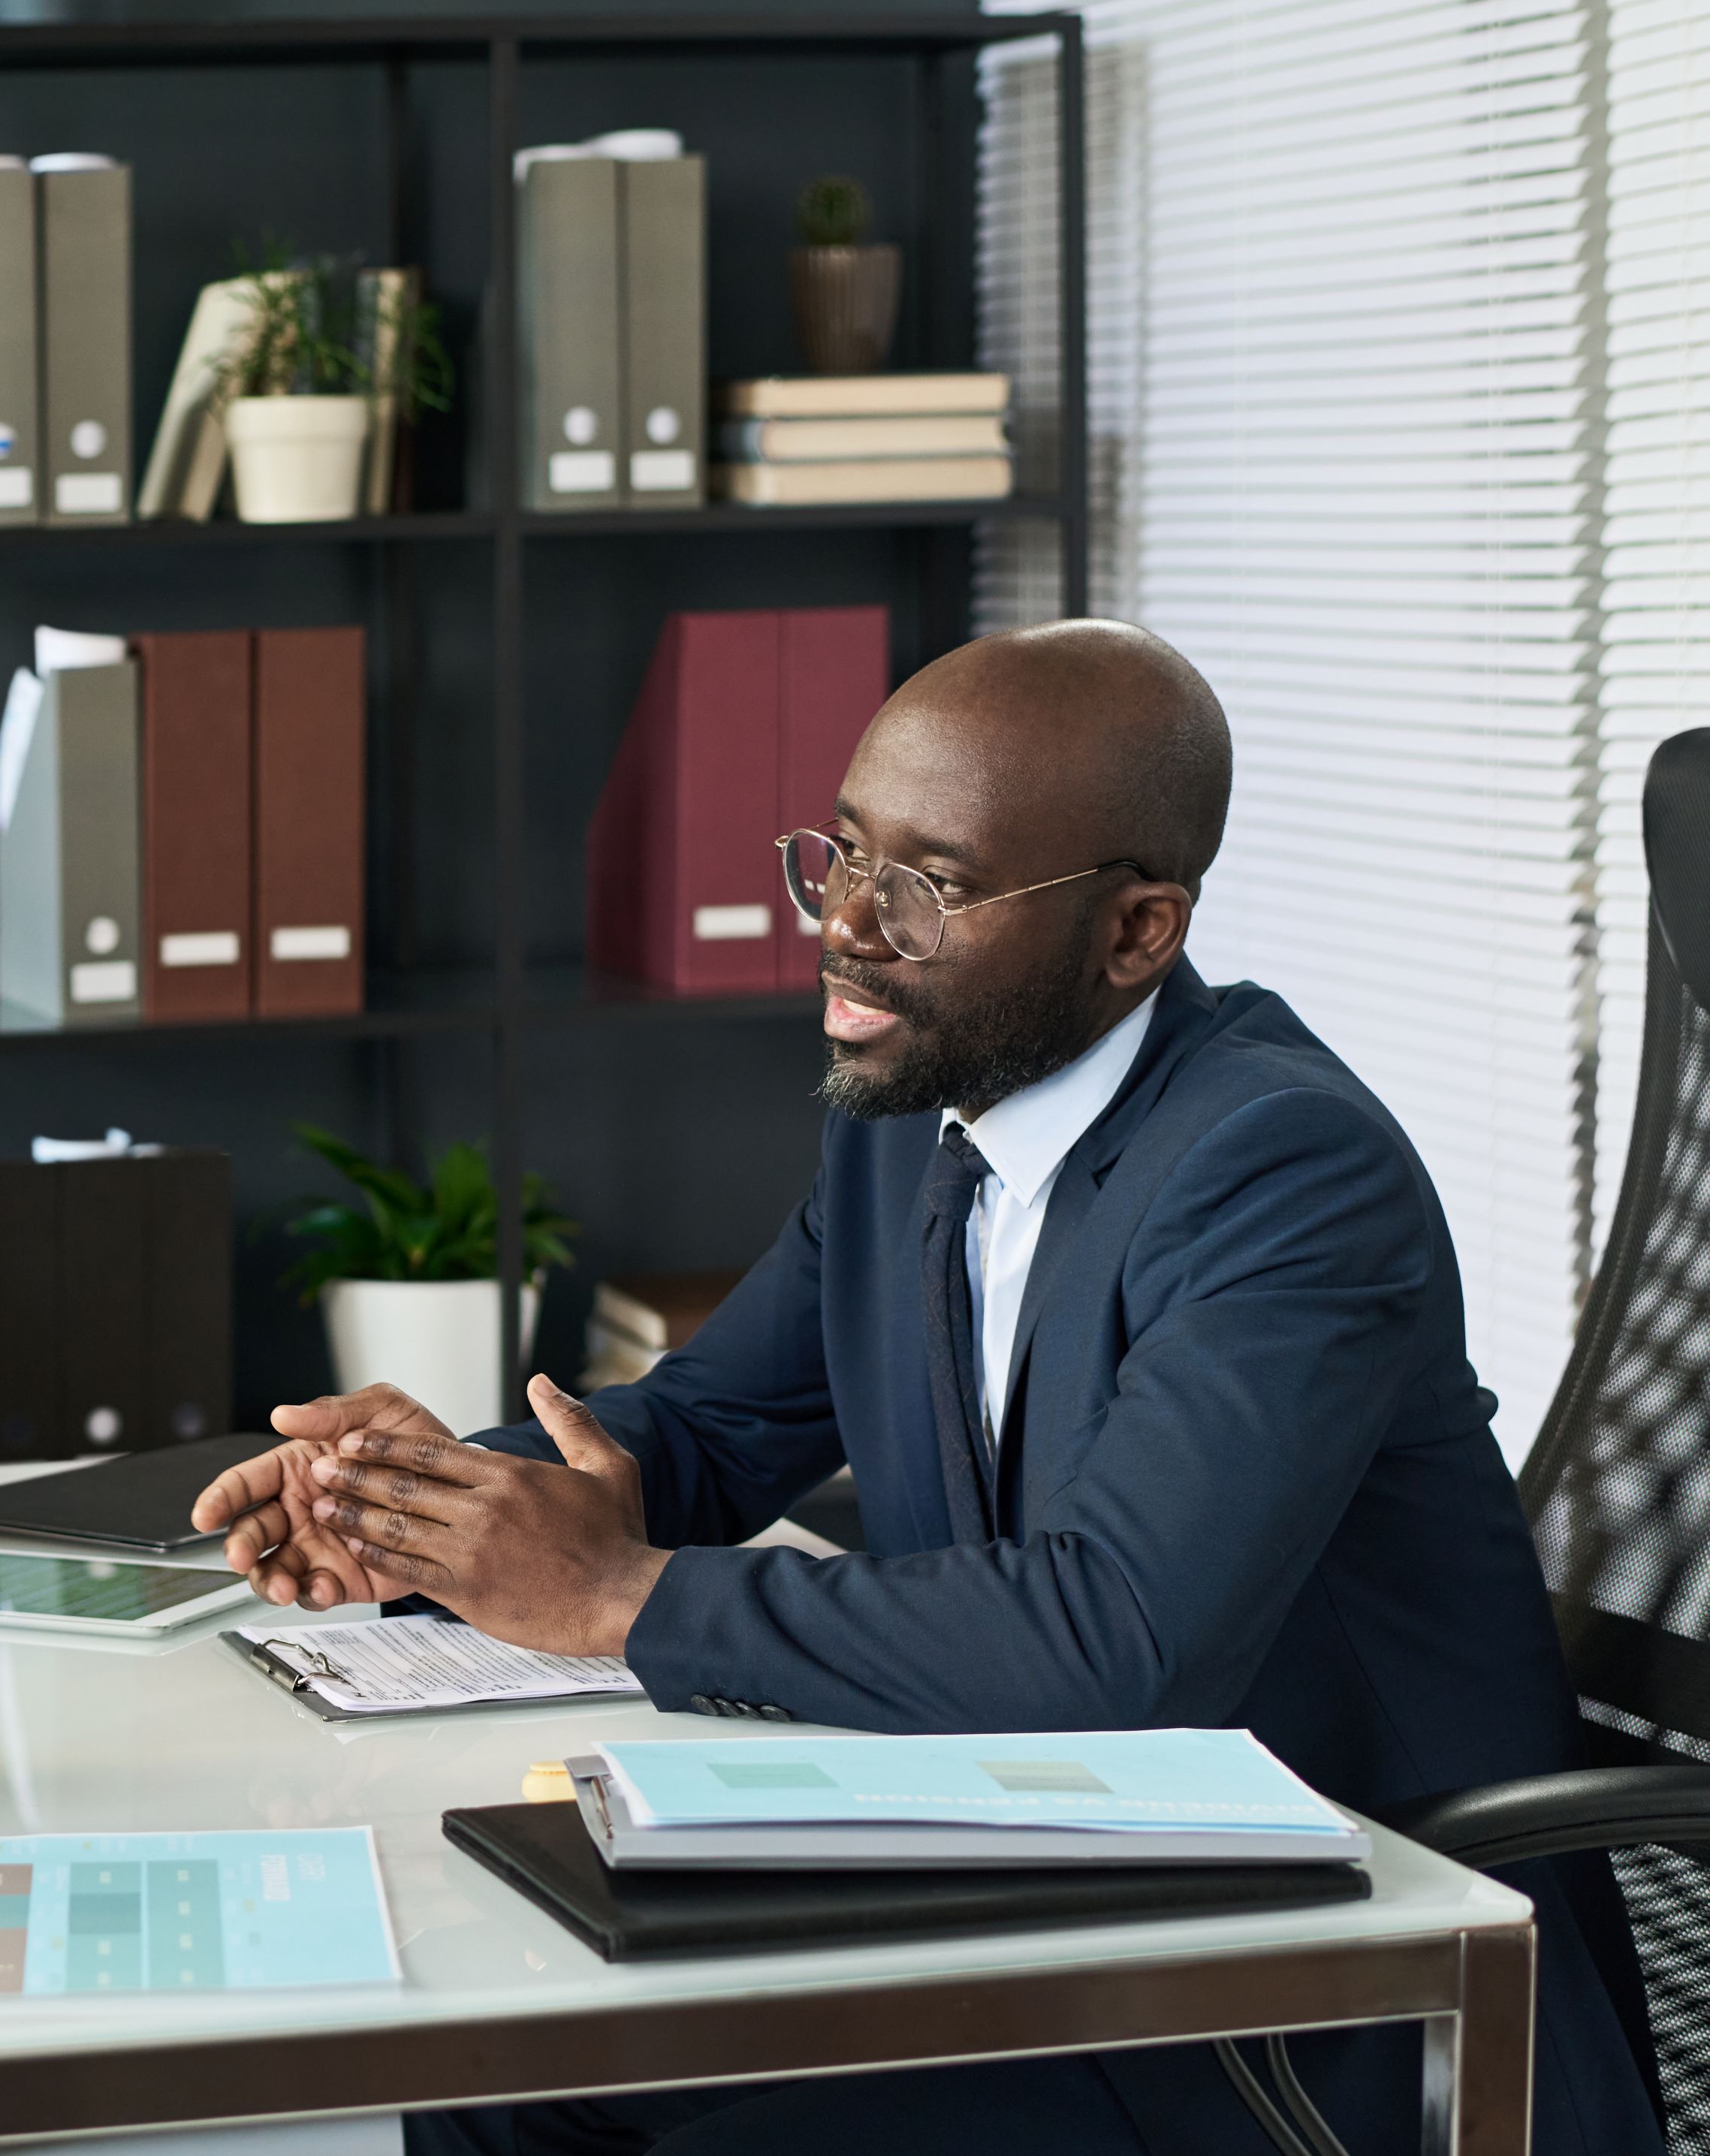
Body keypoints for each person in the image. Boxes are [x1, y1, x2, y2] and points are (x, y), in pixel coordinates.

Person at [194, 621, 1660, 2155]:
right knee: (503, 2069)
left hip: (1319, 1999)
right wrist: (422, 1512)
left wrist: (614, 1596)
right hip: (1059, 1894)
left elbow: (1117, 1642)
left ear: (1138, 932)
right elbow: (711, 1424)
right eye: (841, 854)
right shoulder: (914, 1117)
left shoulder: (1280, 1171)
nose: (845, 922)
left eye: (930, 885)